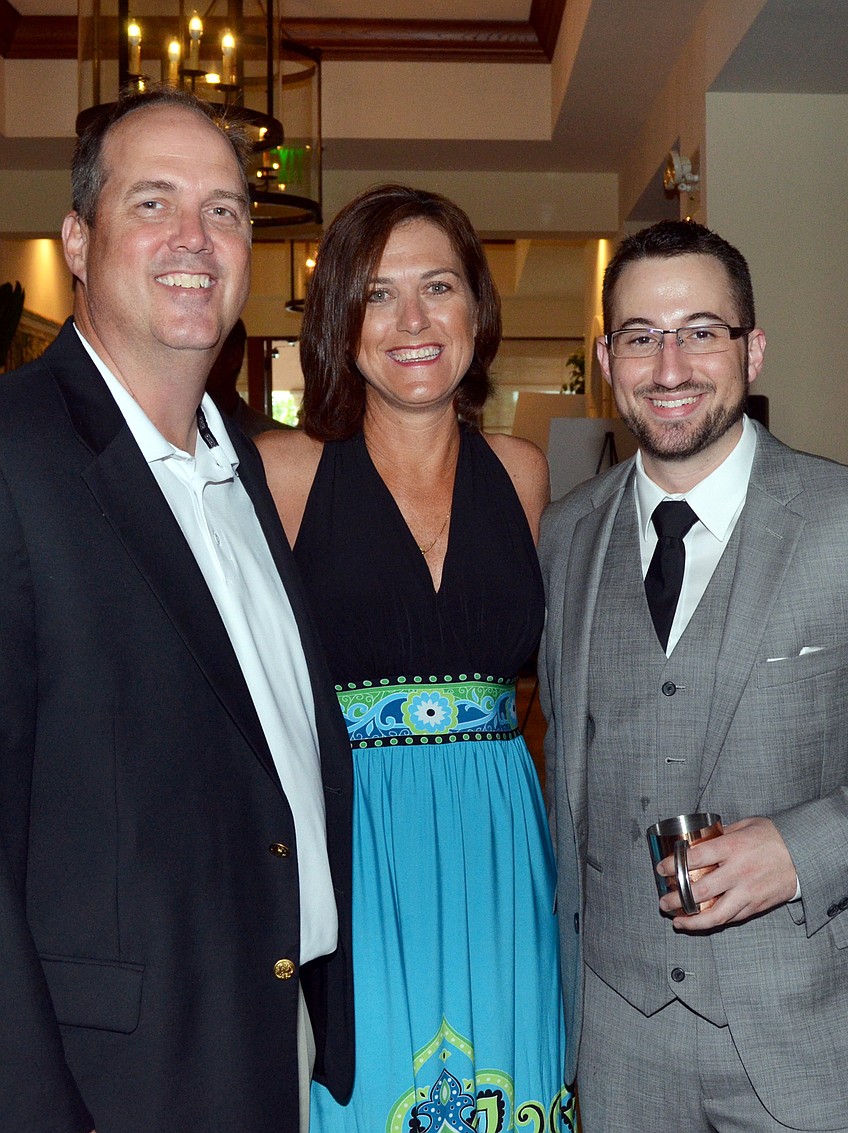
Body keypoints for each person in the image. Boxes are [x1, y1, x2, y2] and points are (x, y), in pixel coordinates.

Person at [0, 86, 353, 1133]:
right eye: (153, 203)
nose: (196, 239)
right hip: (106, 1074)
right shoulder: (14, 451)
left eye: (227, 210)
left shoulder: (237, 457)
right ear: (77, 237)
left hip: (261, 1028)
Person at [258, 184, 576, 1132]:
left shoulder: (521, 471)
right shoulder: (286, 471)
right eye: (377, 294)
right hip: (358, 848)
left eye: (438, 285)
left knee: (511, 1082)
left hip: (500, 841)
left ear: (477, 309)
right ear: (339, 324)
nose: (413, 320)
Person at [539, 219, 848, 1132]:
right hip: (617, 1039)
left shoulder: (841, 521)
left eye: (701, 330)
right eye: (640, 336)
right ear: (607, 357)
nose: (669, 365)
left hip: (809, 1033)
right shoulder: (565, 535)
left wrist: (805, 850)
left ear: (752, 348)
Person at [205, 317, 291, 436]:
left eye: (205, 351)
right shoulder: (173, 439)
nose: (192, 363)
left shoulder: (280, 441)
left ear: (233, 357)